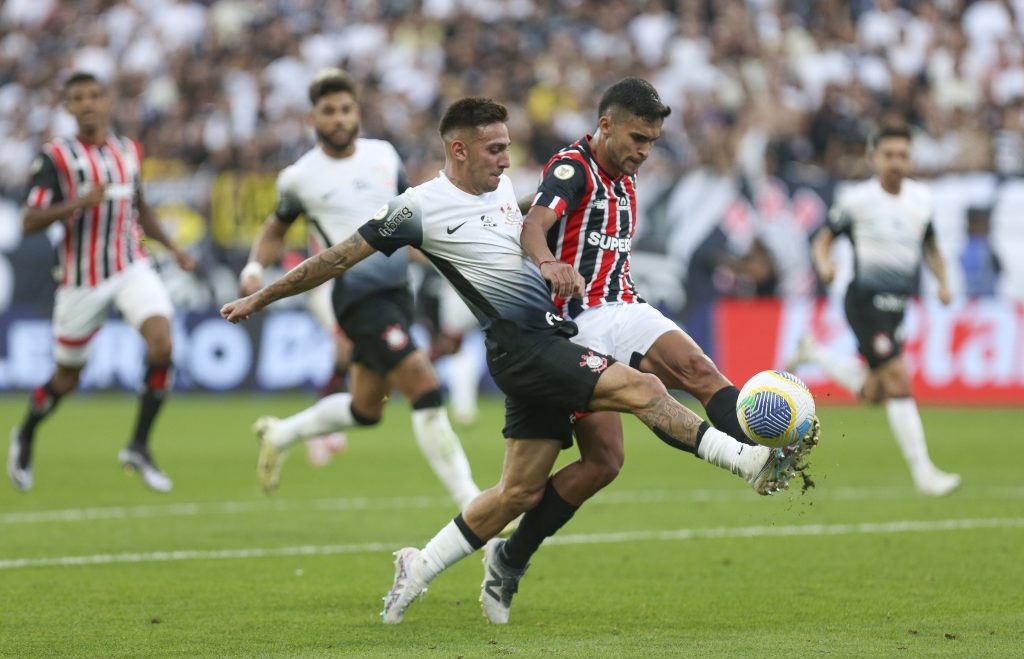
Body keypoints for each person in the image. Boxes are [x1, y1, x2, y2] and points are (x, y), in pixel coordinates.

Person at [220, 97, 819, 625]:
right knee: (642, 387)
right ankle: (749, 461)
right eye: (495, 149)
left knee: (515, 494)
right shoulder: (417, 208)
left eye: (507, 148)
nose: (507, 160)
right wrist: (261, 295)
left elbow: (536, 226)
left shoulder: (502, 186)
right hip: (525, 345)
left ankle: (419, 564)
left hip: (544, 342)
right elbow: (335, 258)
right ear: (459, 150)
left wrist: (554, 262)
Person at [479, 77, 784, 624]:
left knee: (697, 367)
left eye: (652, 141)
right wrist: (548, 263)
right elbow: (536, 225)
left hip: (623, 305)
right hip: (576, 327)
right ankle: (510, 557)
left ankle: (765, 452)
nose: (644, 151)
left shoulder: (625, 177)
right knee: (602, 463)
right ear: (606, 126)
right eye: (637, 138)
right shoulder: (573, 168)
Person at [237, 69, 481, 509]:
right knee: (424, 385)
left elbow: (414, 215)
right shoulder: (299, 176)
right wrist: (255, 266)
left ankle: (282, 433)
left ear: (357, 113)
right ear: (312, 118)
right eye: (328, 111)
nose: (339, 119)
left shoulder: (384, 156)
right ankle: (471, 500)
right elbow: (275, 228)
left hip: (396, 291)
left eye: (345, 109)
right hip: (353, 293)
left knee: (366, 408)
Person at [8, 71, 196, 493]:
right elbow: (30, 219)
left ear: (108, 101)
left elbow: (140, 206)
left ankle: (139, 446)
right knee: (65, 380)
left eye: (95, 95)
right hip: (81, 281)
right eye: (79, 98)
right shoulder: (55, 158)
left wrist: (173, 248)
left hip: (131, 265)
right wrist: (78, 202)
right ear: (69, 108)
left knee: (163, 342)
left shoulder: (127, 150)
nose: (88, 103)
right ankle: (26, 432)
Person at [790, 124, 959, 497]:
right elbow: (824, 240)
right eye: (889, 155)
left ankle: (814, 351)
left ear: (910, 158)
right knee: (899, 379)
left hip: (899, 306)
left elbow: (932, 248)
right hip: (864, 300)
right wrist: (825, 265)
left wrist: (944, 281)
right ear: (874, 158)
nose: (896, 162)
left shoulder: (921, 200)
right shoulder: (857, 200)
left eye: (902, 155)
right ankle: (924, 474)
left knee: (875, 392)